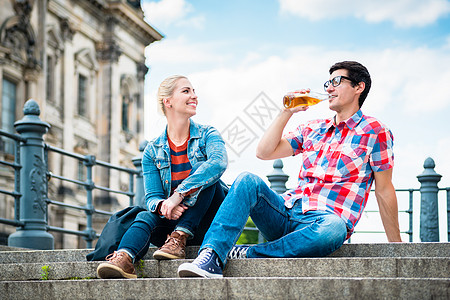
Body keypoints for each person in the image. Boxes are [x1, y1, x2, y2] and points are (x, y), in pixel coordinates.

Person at [178, 61, 402, 278]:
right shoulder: (314, 128)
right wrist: (286, 112)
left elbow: (383, 190)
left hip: (322, 224)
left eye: (336, 81)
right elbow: (264, 152)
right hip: (285, 212)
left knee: (335, 227)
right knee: (247, 180)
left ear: (358, 87)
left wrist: (397, 248)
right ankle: (211, 256)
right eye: (327, 83)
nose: (329, 88)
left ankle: (248, 253)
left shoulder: (376, 131)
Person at [97, 75, 228, 279]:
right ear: (168, 102)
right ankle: (124, 258)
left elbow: (218, 163)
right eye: (186, 91)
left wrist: (179, 196)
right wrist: (163, 207)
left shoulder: (208, 134)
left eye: (193, 91)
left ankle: (180, 236)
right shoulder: (152, 151)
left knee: (206, 172)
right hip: (168, 234)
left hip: (207, 223)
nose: (194, 96)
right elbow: (152, 197)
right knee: (145, 215)